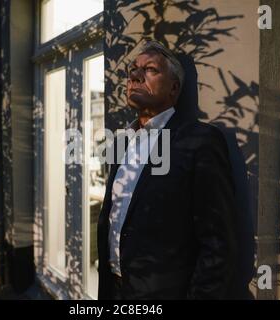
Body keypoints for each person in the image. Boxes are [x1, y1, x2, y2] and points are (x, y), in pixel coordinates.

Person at [97, 40, 238, 299]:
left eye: (150, 69)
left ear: (174, 87)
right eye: (132, 70)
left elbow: (218, 244)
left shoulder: (200, 141)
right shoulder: (121, 141)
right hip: (115, 288)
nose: (135, 76)